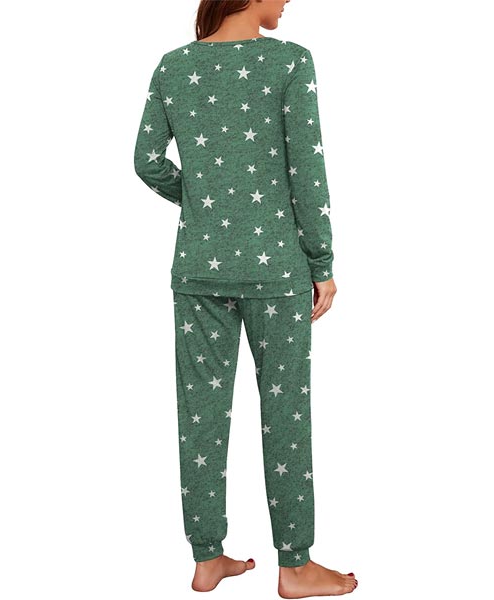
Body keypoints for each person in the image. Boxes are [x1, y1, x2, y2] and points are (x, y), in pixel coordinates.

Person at [133, 0, 358, 596]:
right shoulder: (289, 62)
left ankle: (207, 558)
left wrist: (201, 200)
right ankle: (295, 565)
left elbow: (146, 161)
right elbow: (306, 170)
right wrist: (322, 262)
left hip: (198, 268)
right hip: (277, 270)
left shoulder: (173, 66)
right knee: (286, 415)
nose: (288, 1)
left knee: (199, 416)